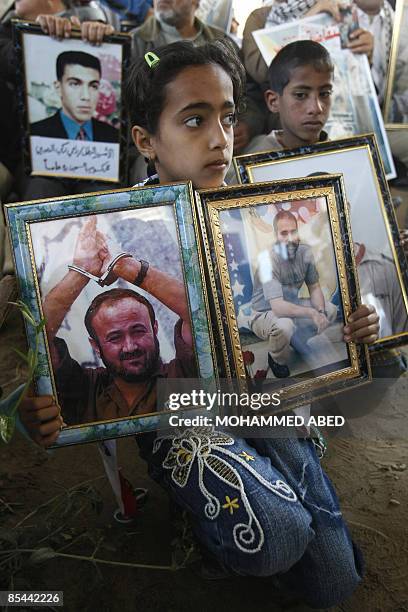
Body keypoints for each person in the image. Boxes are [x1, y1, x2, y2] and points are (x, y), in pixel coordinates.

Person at [18, 40, 380, 608]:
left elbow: (321, 310)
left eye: (228, 116)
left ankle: (271, 476)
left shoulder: (261, 210)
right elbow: (52, 357)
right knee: (278, 537)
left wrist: (357, 323)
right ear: (145, 141)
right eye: (194, 119)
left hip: (265, 399)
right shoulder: (114, 231)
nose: (221, 137)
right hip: (180, 410)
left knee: (336, 583)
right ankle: (207, 521)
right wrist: (40, 406)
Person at [42, 217, 195, 425]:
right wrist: (81, 271)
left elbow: (199, 313)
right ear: (95, 345)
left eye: (138, 331)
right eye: (115, 338)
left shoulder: (184, 376)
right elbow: (38, 337)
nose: (130, 346)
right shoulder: (82, 390)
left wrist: (125, 266)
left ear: (155, 328)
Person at [249, 209, 338, 378]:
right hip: (264, 313)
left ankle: (297, 338)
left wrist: (319, 312)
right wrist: (311, 313)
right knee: (284, 325)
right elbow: (278, 307)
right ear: (276, 236)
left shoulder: (305, 252)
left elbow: (314, 287)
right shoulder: (268, 260)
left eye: (293, 231)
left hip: (291, 307)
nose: (290, 238)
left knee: (330, 309)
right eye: (284, 233)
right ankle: (276, 359)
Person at [31, 51, 119, 143]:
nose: (86, 96)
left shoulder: (114, 136)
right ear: (58, 88)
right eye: (75, 84)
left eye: (93, 86)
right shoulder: (35, 134)